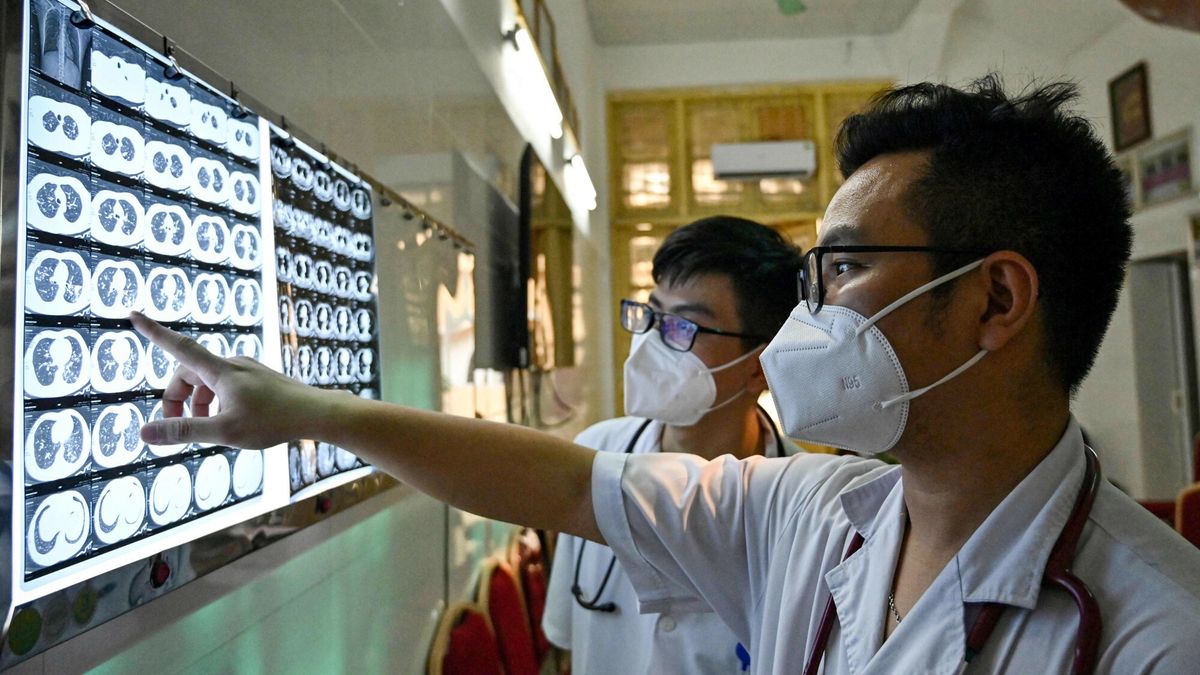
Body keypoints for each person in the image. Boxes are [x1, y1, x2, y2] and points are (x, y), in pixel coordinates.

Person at [131, 74, 1200, 673]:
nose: (812, 314)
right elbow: (558, 482)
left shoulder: (1157, 632)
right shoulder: (817, 510)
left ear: (994, 302)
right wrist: (301, 411)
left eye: (847, 268)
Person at [542, 216, 804, 674]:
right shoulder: (592, 456)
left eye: (682, 325)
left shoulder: (804, 509)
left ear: (760, 367)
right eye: (651, 313)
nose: (649, 341)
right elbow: (565, 645)